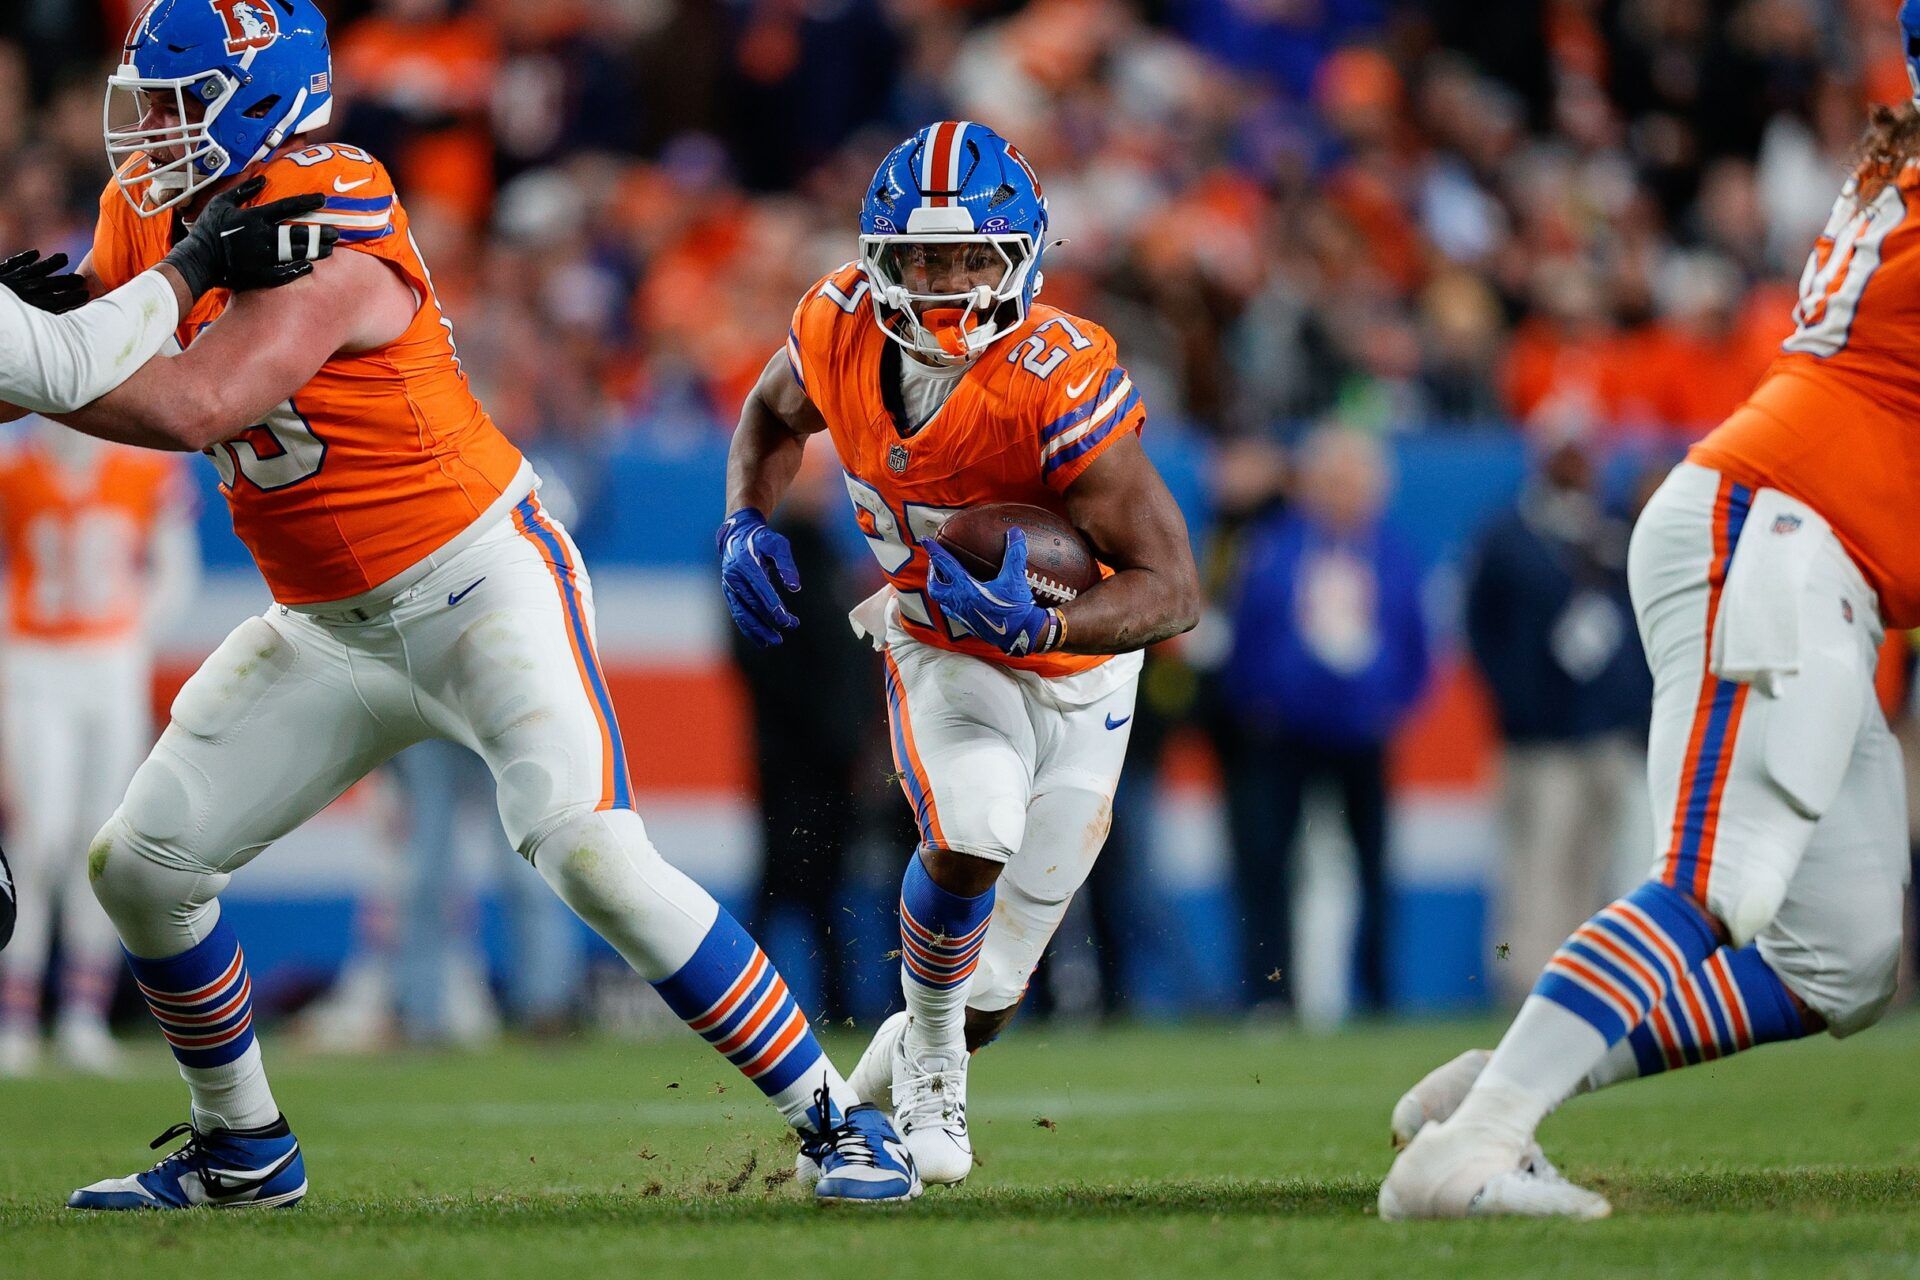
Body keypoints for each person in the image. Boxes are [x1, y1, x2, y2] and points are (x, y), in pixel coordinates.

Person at [9, 0, 914, 1209]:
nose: (155, 132)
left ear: (263, 108)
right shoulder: (151, 208)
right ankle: (244, 1143)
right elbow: (118, 348)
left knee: (590, 849)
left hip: (477, 579)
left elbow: (192, 403)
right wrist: (57, 337)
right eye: (153, 102)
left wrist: (36, 356)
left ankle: (837, 1117)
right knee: (143, 864)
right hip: (327, 623)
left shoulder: (328, 206)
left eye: (186, 106)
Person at [1379, 11, 1920, 1218]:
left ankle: (1512, 1074)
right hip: (1776, 528)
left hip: (1812, 544)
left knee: (1844, 955)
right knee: (1717, 875)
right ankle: (1467, 1156)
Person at [720, 121, 1201, 1184]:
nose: (945, 282)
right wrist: (743, 519)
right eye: (924, 257)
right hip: (941, 647)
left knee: (987, 995)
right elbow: (768, 411)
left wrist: (1048, 622)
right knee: (973, 825)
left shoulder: (1055, 376)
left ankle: (852, 1116)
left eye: (972, 256)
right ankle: (929, 1065)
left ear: (1020, 256)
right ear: (878, 257)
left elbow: (1174, 589)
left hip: (1080, 676)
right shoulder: (836, 321)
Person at [0, 424, 199, 1076]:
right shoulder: (14, 466)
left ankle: (82, 1016)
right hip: (33, 663)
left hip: (110, 667)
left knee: (100, 844)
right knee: (40, 839)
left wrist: (130, 635)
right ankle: (18, 1018)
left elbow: (176, 571)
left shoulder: (143, 467)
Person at [1221, 426, 1429, 1017]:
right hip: (1286, 733)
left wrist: (1396, 705)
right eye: (1332, 480)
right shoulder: (1276, 548)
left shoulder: (1393, 553)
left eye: (1354, 481)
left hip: (1364, 733)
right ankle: (1268, 994)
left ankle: (1378, 992)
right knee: (1270, 864)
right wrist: (1259, 703)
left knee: (1375, 867)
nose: (1343, 493)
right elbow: (1249, 635)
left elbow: (1417, 643)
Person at [1464, 429, 1649, 1002]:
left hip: (1605, 732)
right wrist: (1518, 704)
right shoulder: (1509, 536)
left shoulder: (1606, 532)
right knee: (1534, 867)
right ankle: (1521, 980)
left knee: (1600, 866)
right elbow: (1481, 630)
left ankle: (1587, 982)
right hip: (1539, 740)